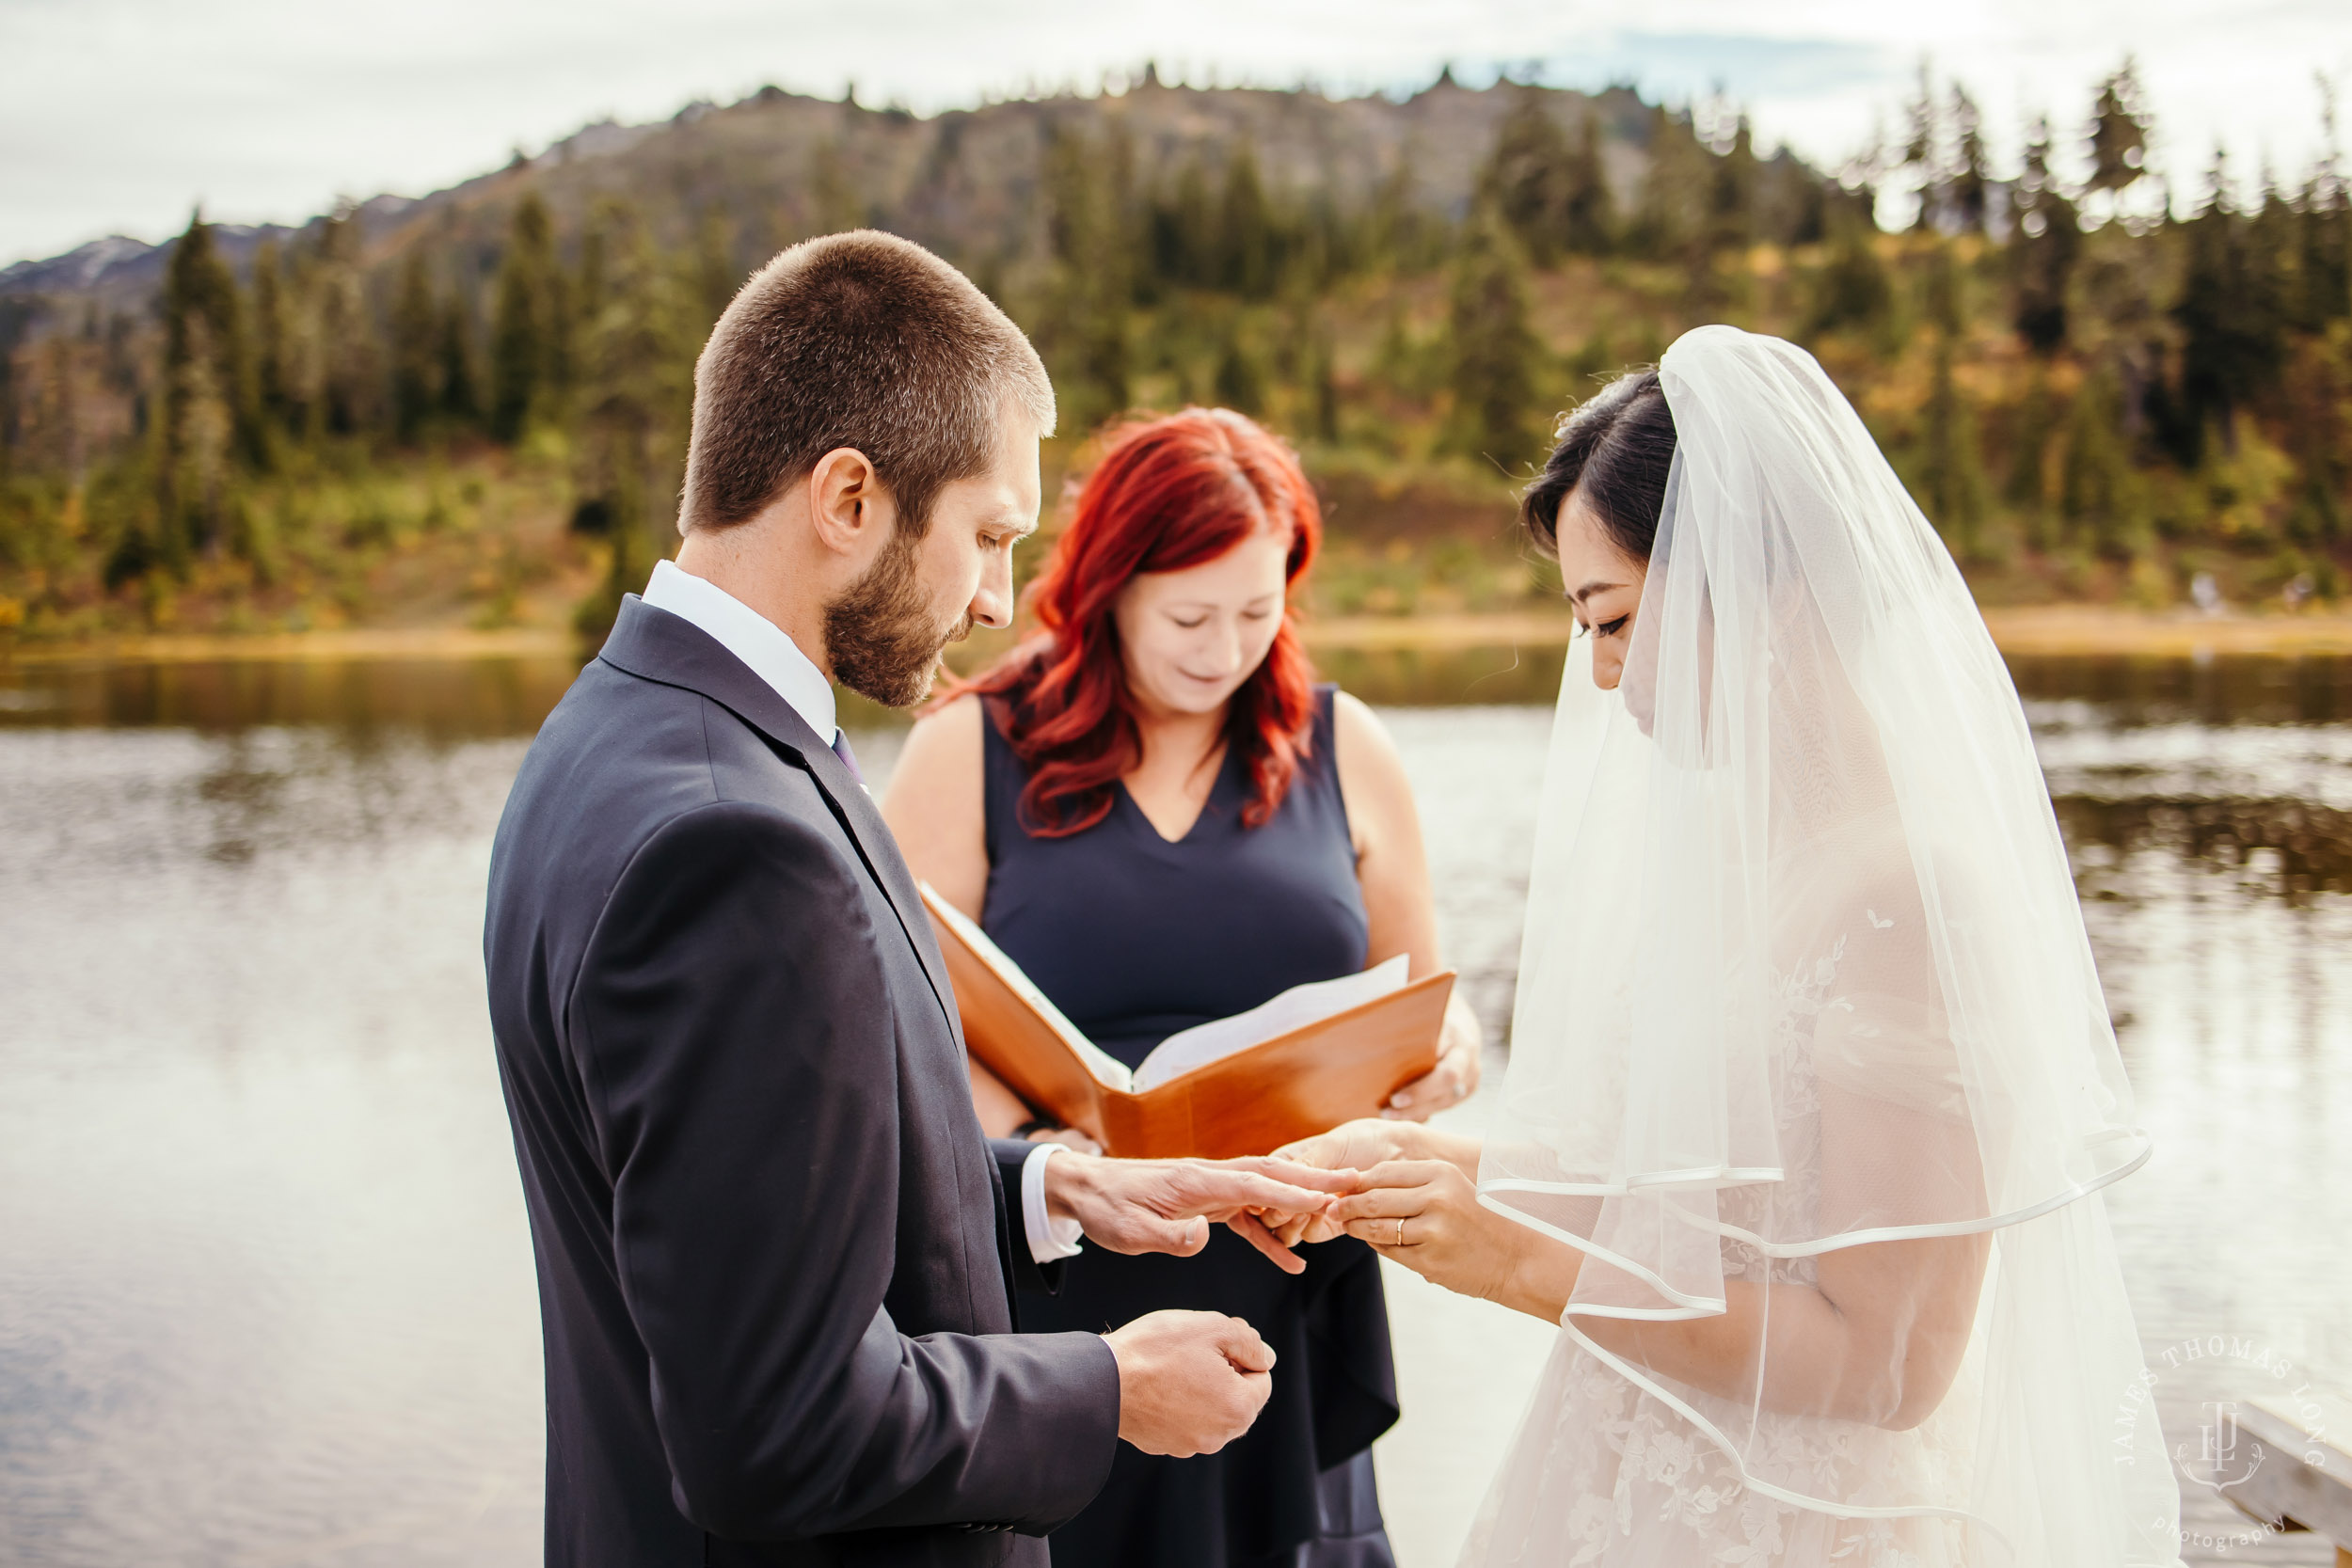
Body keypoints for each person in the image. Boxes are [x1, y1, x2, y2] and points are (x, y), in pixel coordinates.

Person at [483, 231, 1353, 1568]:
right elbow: (777, 1425)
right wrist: (1111, 1385)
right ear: (849, 497)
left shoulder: (621, 732)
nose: (1003, 596)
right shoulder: (733, 844)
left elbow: (746, 1210)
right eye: (991, 533)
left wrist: (1052, 1188)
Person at [1279, 329, 2185, 1566]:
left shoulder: (1908, 896)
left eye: (1614, 618)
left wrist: (1510, 1259)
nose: (1601, 674)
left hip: (1803, 1521)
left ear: (1766, 583)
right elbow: (1685, 1201)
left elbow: (1890, 1360)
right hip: (1623, 1481)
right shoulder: (1739, 858)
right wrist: (1429, 1159)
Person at [882, 407, 1484, 1568]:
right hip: (1064, 1275)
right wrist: (1058, 1153)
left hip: (1288, 1265)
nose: (1225, 649)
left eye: (1258, 613)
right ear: (1107, 587)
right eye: (1190, 615)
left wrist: (1448, 1048)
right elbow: (908, 1020)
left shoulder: (1342, 742)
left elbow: (1417, 982)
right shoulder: (972, 743)